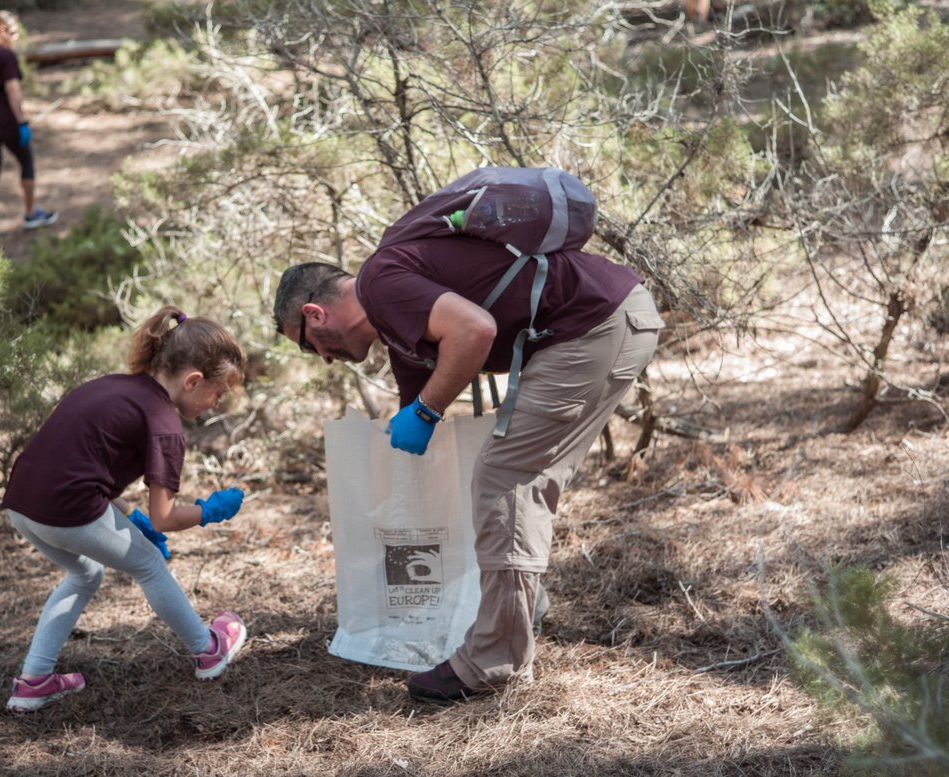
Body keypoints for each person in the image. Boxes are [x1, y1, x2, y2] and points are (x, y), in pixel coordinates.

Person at [272, 183, 664, 705]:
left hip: (594, 325)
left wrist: (429, 411)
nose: (320, 357)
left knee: (506, 475)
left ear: (315, 315)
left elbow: (475, 332)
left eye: (305, 343)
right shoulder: (397, 324)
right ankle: (518, 612)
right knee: (513, 475)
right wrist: (411, 429)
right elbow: (421, 417)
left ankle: (494, 659)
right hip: (609, 319)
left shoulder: (381, 282)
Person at [1, 306, 249, 713]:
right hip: (68, 508)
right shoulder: (165, 423)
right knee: (149, 563)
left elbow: (80, 463)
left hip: (22, 505)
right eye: (218, 394)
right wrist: (208, 511)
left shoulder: (115, 386)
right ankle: (208, 651)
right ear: (193, 381)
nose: (216, 404)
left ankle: (34, 681)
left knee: (85, 572)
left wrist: (123, 515)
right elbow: (164, 518)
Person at [0, 10, 58, 243]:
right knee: (26, 162)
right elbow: (12, 90)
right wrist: (21, 120)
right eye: (15, 32)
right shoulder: (6, 55)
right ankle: (31, 213)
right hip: (6, 121)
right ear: (2, 31)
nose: (17, 36)